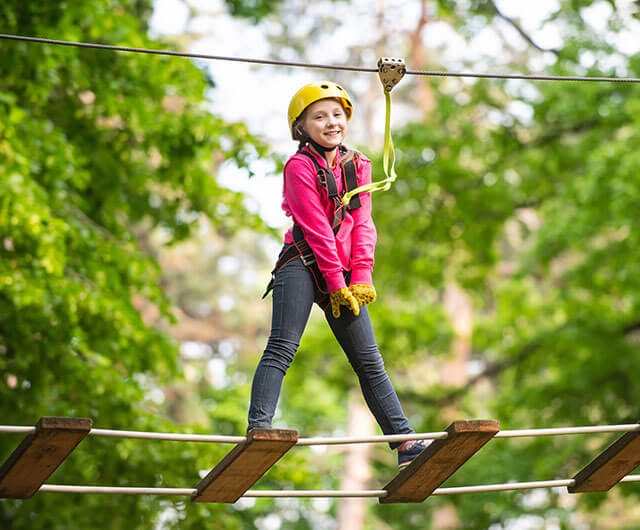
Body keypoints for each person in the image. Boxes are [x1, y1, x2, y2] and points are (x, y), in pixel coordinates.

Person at [247, 81, 426, 469]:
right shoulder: (298, 166)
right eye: (319, 116)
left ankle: (404, 444)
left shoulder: (358, 164)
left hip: (343, 273)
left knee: (369, 359)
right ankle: (259, 429)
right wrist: (335, 283)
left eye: (337, 115)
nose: (331, 122)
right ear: (302, 127)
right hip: (302, 262)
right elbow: (314, 229)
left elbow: (364, 223)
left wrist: (360, 276)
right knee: (282, 347)